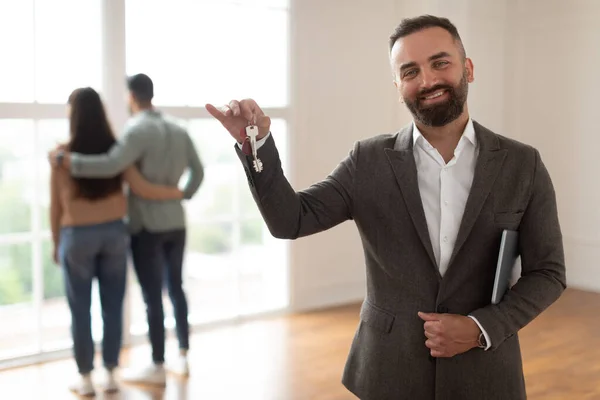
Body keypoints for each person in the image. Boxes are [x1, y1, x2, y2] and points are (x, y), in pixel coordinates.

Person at [206, 15, 566, 400]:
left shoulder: (522, 164)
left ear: (468, 68)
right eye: (410, 71)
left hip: (486, 374)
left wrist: (481, 327)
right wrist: (258, 143)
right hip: (388, 374)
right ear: (398, 87)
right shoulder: (368, 160)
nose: (427, 81)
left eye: (440, 62)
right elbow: (291, 219)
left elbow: (548, 272)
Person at [49, 74, 204, 385]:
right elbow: (197, 172)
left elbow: (107, 166)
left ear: (132, 96)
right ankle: (179, 356)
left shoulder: (132, 132)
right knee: (171, 289)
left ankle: (148, 367)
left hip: (138, 226)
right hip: (168, 223)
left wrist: (68, 160)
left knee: (143, 298)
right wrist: (181, 194)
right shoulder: (176, 129)